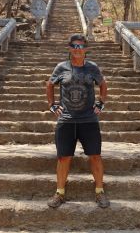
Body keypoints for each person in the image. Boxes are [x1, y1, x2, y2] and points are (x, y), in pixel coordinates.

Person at [46, 34, 109, 208]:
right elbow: (50, 84)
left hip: (88, 120)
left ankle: (99, 191)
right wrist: (52, 105)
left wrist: (101, 103)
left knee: (95, 156)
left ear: (86, 49)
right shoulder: (61, 67)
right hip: (66, 120)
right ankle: (59, 193)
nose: (77, 49)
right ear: (69, 48)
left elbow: (103, 84)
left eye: (81, 46)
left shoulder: (92, 68)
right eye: (74, 46)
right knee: (63, 158)